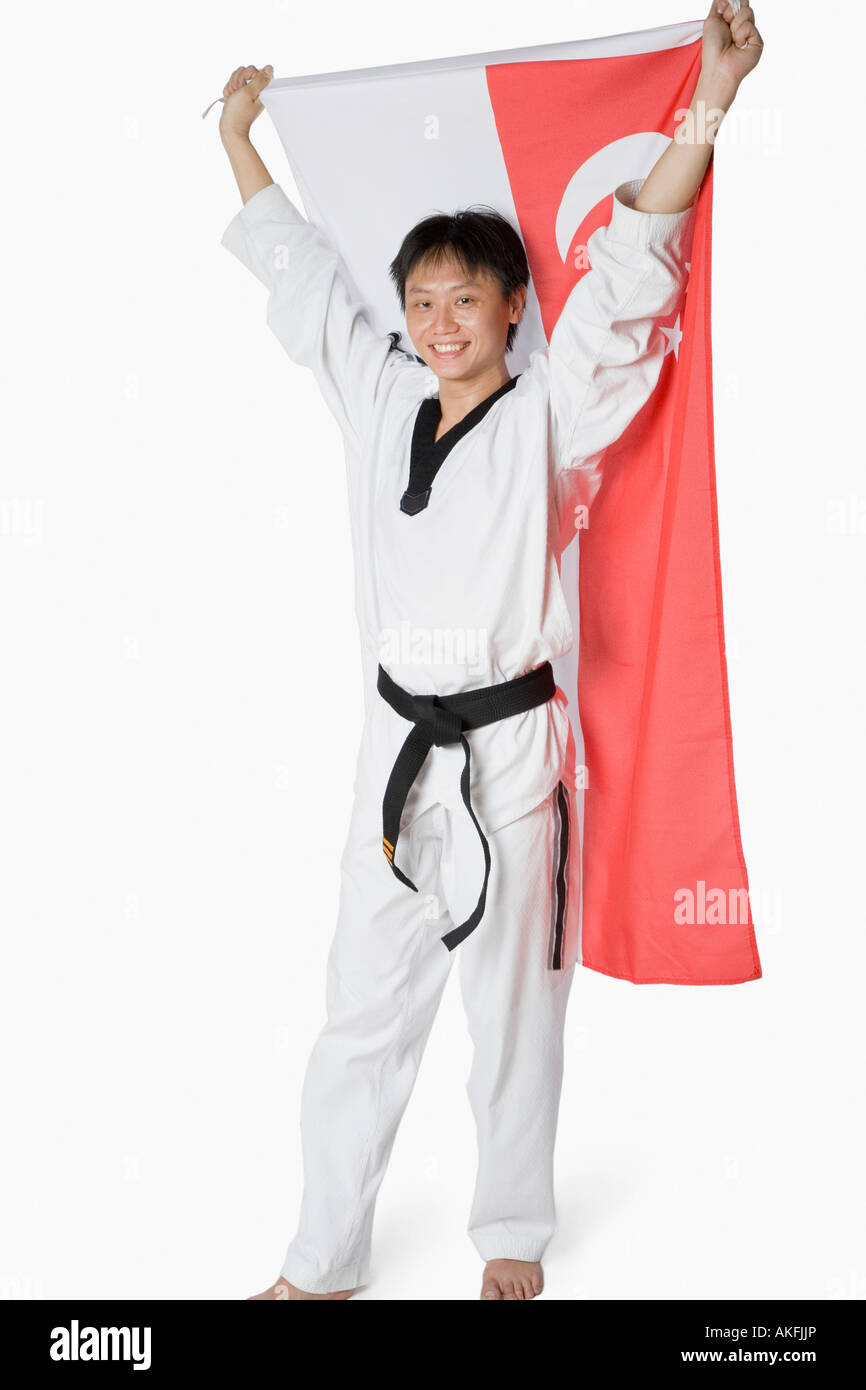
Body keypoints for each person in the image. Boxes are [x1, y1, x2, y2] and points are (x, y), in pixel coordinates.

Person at [217, 0, 763, 1301]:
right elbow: (298, 273)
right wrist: (240, 137)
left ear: (514, 308)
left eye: (467, 297)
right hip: (392, 747)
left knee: (514, 1006)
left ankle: (509, 1231)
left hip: (514, 750)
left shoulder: (549, 413)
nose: (441, 317)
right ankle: (320, 1257)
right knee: (360, 1010)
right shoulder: (377, 387)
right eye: (423, 299)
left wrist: (710, 99)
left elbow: (632, 270)